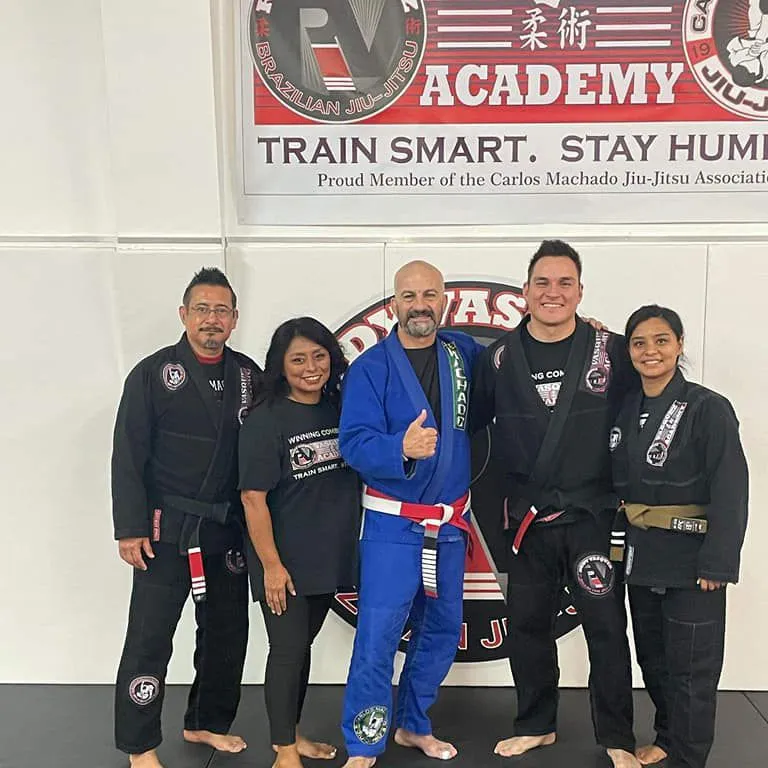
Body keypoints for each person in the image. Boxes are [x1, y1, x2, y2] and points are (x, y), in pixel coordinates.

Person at [470, 240, 640, 768]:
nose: (553, 292)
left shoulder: (609, 351)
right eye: (542, 282)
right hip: (527, 520)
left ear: (580, 291)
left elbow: (638, 420)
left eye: (565, 282)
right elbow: (479, 438)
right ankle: (536, 723)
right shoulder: (497, 358)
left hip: (593, 517)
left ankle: (616, 736)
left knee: (607, 627)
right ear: (524, 292)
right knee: (526, 625)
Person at [112, 267, 260, 768]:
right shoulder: (153, 375)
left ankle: (206, 722)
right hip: (164, 530)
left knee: (226, 632)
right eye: (203, 309)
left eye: (222, 310)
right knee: (150, 638)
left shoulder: (248, 375)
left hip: (225, 530)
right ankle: (138, 744)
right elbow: (128, 455)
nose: (212, 319)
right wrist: (129, 527)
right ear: (183, 314)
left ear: (235, 319)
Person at [338, 260, 481, 768]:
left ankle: (413, 725)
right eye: (408, 295)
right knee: (378, 633)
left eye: (429, 294)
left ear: (444, 300)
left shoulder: (463, 354)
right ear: (393, 303)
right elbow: (352, 443)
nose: (419, 304)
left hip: (446, 527)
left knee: (441, 629)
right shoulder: (370, 368)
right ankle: (364, 741)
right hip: (392, 527)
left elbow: (522, 363)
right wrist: (400, 447)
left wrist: (588, 339)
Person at [610, 305, 749, 768]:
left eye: (662, 340)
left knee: (693, 669)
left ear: (680, 345)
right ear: (628, 351)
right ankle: (668, 737)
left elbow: (731, 488)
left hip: (694, 561)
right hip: (643, 556)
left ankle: (689, 757)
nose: (651, 351)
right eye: (639, 343)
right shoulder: (628, 408)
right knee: (654, 660)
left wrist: (718, 562)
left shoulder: (709, 408)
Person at [238, 317, 361, 768]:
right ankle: (283, 751)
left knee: (301, 649)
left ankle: (293, 735)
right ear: (280, 366)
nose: (311, 367)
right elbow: (253, 498)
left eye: (319, 355)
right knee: (288, 652)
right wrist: (271, 565)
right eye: (298, 359)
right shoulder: (265, 420)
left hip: (327, 558)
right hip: (284, 562)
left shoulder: (338, 408)